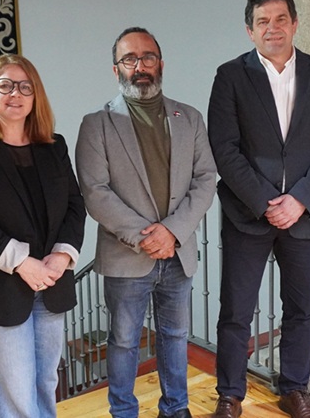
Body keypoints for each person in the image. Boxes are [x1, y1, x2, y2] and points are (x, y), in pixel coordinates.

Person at [208, 0, 310, 418]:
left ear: (295, 23)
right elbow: (224, 147)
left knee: (301, 309)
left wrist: (300, 199)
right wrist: (265, 201)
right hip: (247, 214)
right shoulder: (230, 76)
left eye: (281, 19)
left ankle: (294, 388)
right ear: (249, 30)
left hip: (305, 216)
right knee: (236, 310)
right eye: (263, 21)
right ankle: (230, 394)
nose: (273, 28)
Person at [75, 27, 217, 418]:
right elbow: (95, 192)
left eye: (147, 57)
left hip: (178, 252)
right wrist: (147, 237)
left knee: (175, 336)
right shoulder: (96, 124)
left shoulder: (189, 118)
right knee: (123, 341)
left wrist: (172, 232)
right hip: (126, 256)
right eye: (129, 59)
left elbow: (206, 179)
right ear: (116, 69)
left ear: (161, 63)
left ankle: (176, 407)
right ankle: (123, 412)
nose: (140, 66)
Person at [0, 54, 86, 418]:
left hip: (51, 282)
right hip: (0, 287)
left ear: (35, 96)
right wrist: (23, 263)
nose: (16, 94)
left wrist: (63, 256)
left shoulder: (54, 146)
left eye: (25, 87)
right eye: (6, 85)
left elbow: (75, 206)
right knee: (15, 392)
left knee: (45, 383)